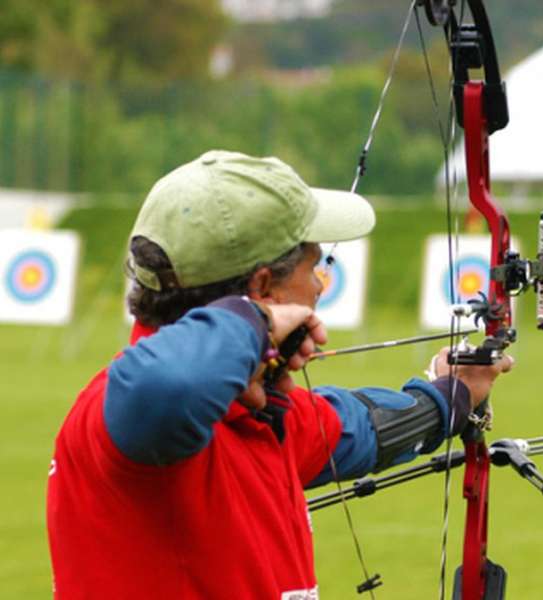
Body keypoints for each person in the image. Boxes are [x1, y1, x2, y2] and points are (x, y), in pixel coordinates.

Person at [46, 150, 512, 599]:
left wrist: (450, 395)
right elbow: (170, 386)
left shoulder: (261, 415)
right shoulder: (126, 417)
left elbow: (358, 429)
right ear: (264, 287)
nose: (320, 285)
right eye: (314, 266)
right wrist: (256, 323)